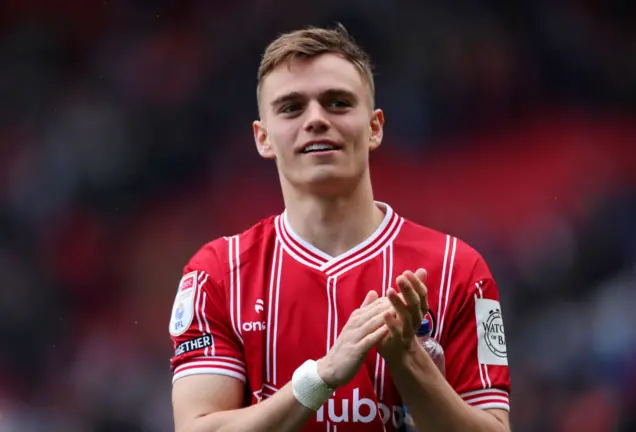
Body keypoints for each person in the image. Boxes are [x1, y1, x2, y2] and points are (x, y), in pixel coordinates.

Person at [168, 24, 511, 432]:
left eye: (338, 103)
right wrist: (322, 376)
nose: (315, 119)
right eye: (292, 107)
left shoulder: (459, 269)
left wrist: (409, 360)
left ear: (374, 128)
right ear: (263, 138)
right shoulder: (217, 275)